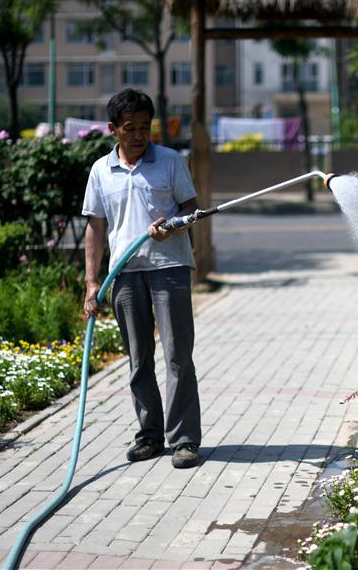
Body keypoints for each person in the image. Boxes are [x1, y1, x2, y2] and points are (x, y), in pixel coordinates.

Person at [82, 88, 201, 469]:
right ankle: (149, 436)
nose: (138, 135)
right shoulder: (102, 170)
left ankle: (183, 441)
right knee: (138, 359)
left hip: (169, 268)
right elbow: (96, 228)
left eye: (144, 127)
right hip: (125, 274)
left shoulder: (169, 161)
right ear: (113, 129)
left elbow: (190, 207)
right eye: (129, 128)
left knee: (178, 356)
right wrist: (91, 283)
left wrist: (173, 226)